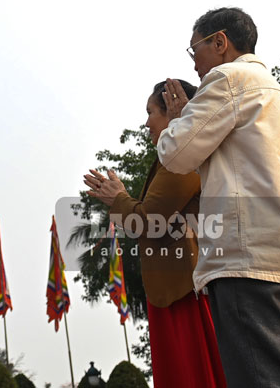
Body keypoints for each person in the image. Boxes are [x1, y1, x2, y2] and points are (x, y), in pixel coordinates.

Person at [159, 7, 280, 388]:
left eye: (195, 51)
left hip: (250, 261)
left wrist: (176, 122)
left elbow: (176, 153)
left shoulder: (227, 79)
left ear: (220, 42)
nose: (196, 65)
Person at [85, 80, 227, 388]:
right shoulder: (176, 159)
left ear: (174, 108)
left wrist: (118, 198)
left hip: (184, 292)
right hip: (177, 288)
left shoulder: (180, 161)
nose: (147, 122)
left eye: (151, 112)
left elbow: (148, 221)